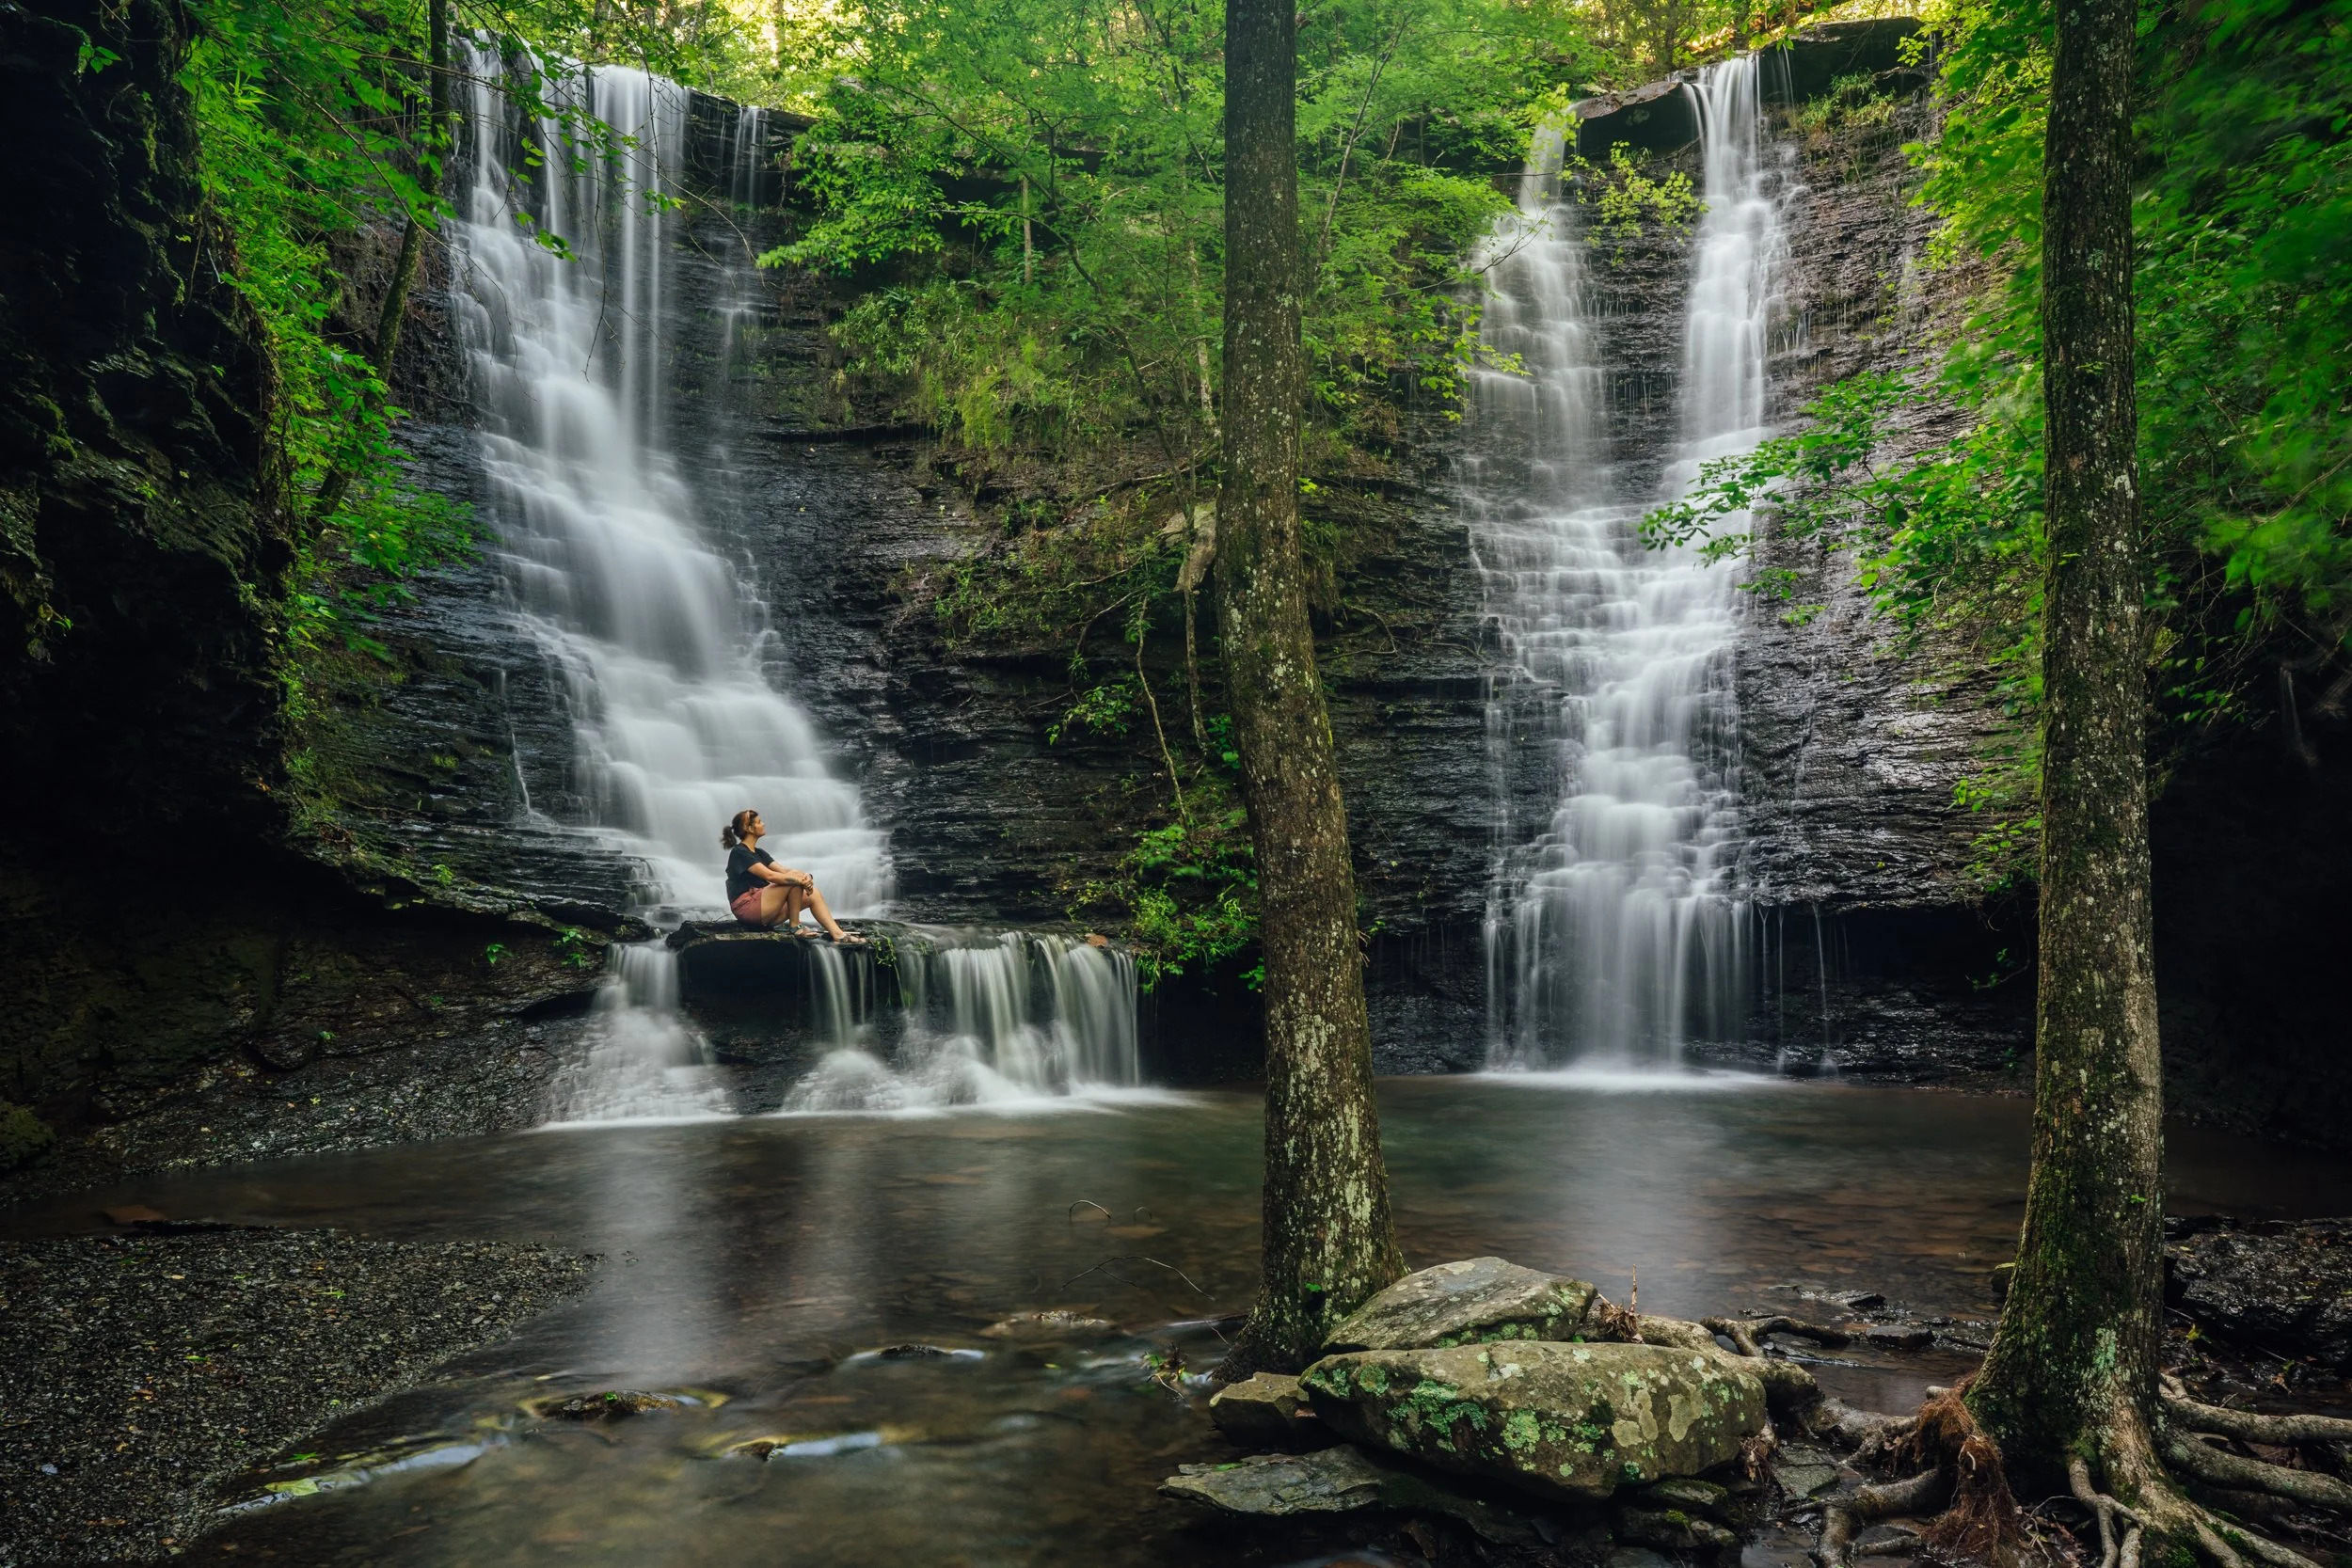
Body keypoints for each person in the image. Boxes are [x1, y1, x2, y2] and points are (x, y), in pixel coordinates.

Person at [721, 809, 865, 942]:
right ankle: (795, 927)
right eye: (759, 822)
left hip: (765, 908)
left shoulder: (759, 853)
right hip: (747, 908)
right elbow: (770, 875)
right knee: (791, 882)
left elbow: (784, 871)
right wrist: (798, 880)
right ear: (749, 828)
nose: (763, 824)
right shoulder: (740, 852)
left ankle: (838, 934)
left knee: (813, 894)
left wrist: (806, 876)